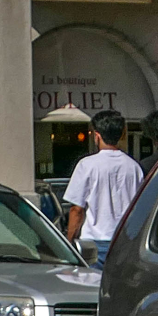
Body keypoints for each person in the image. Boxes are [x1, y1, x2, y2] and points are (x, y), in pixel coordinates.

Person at [62, 110, 142, 264]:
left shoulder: (87, 165)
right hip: (124, 240)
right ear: (122, 135)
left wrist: (69, 240)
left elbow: (76, 210)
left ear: (96, 135)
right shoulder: (134, 167)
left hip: (93, 243)